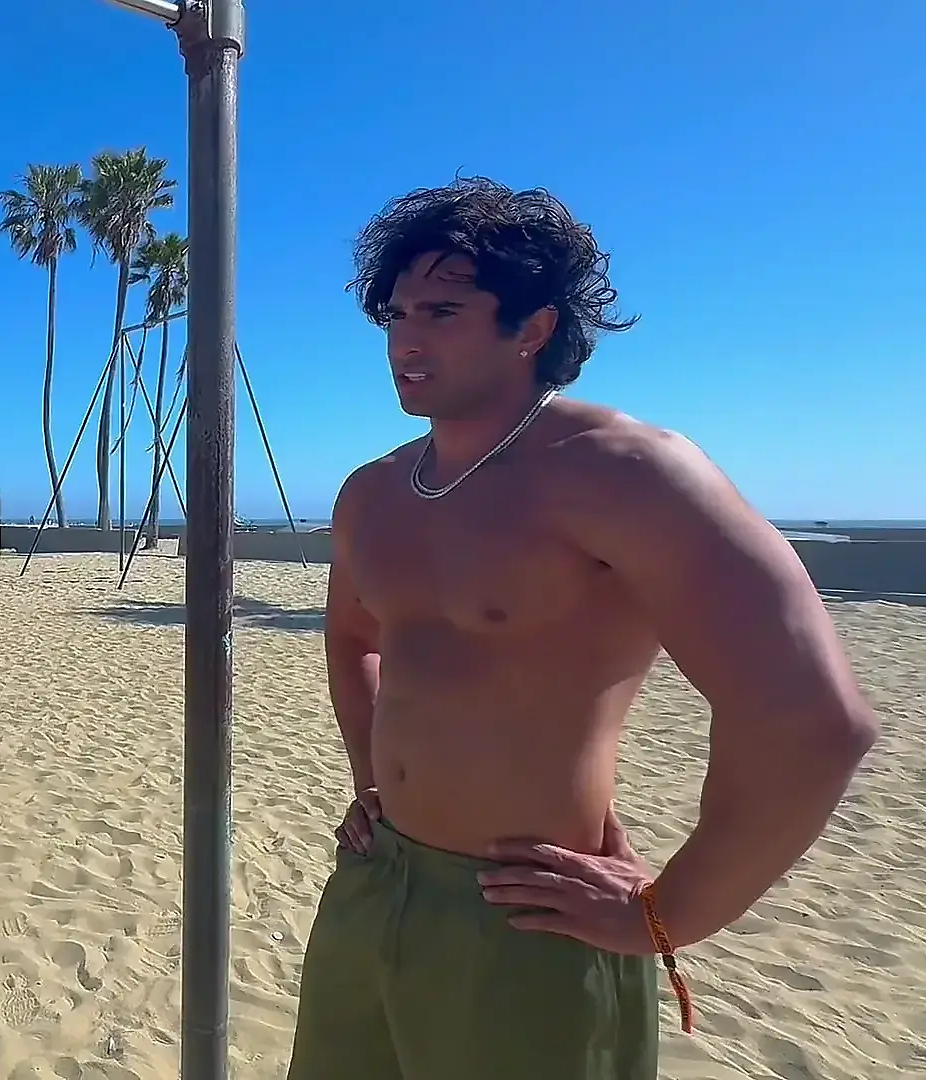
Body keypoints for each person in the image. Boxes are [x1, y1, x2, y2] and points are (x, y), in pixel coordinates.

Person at [286, 177, 878, 1080]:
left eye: (442, 311)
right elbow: (353, 641)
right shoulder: (373, 494)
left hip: (526, 909)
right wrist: (371, 780)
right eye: (396, 314)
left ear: (533, 327)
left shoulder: (623, 473)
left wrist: (668, 912)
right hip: (375, 879)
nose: (405, 340)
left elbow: (813, 719)